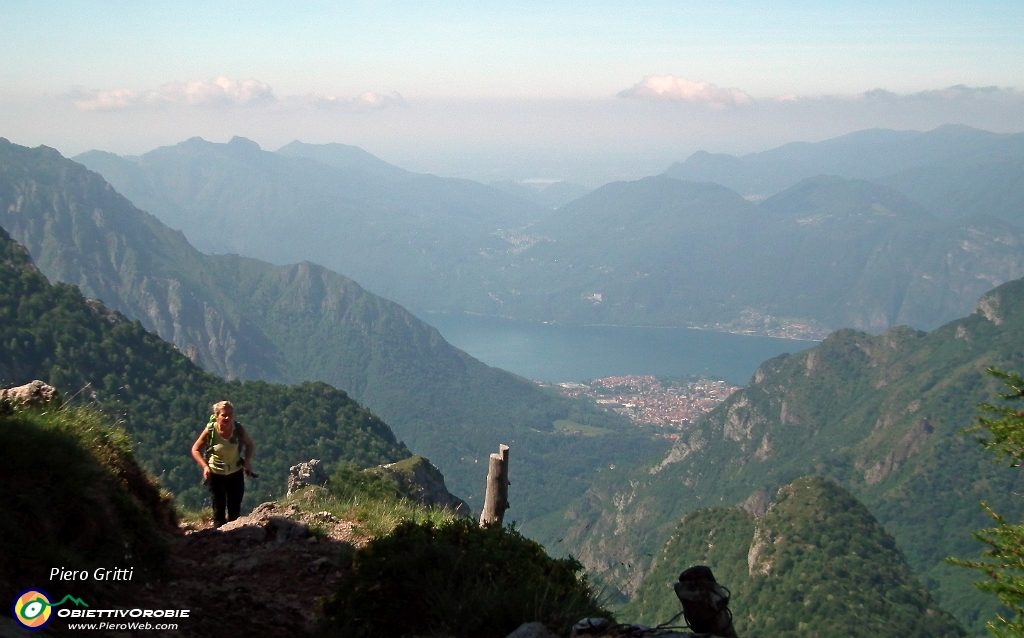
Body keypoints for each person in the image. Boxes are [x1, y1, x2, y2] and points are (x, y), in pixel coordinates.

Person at [190, 401, 255, 527]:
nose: (227, 418)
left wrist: (247, 462)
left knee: (234, 511)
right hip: (215, 475)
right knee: (218, 510)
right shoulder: (210, 431)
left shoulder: (238, 429)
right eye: (224, 415)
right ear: (216, 416)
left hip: (235, 474)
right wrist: (205, 467)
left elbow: (250, 445)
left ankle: (234, 539)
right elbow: (195, 449)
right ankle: (218, 540)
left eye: (230, 415)